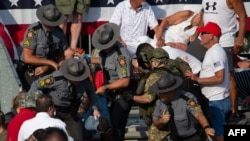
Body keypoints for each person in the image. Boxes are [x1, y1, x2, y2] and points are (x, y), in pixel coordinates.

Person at [29, 58, 110, 141]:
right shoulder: (56, 78)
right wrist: (34, 106)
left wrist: (95, 108)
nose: (77, 80)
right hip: (54, 111)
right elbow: (36, 85)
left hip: (71, 113)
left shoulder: (85, 81)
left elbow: (92, 93)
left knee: (77, 137)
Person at [185, 22, 231, 141]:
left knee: (218, 132)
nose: (200, 35)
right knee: (214, 132)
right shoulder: (213, 51)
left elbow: (219, 77)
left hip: (216, 100)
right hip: (215, 99)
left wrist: (197, 79)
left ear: (211, 36)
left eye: (203, 33)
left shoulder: (216, 52)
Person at [202, 0, 248, 118]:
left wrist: (240, 38)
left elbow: (243, 16)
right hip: (207, 39)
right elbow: (204, 14)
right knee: (206, 70)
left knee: (228, 76)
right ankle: (208, 107)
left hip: (224, 40)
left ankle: (234, 111)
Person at [89, 23, 133, 141]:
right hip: (110, 94)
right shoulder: (104, 52)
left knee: (116, 127)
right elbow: (104, 61)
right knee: (106, 126)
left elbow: (125, 81)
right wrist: (88, 58)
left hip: (122, 94)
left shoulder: (121, 56)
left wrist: (106, 87)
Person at [17, 4, 68, 91]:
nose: (51, 26)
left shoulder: (59, 33)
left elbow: (61, 58)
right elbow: (27, 57)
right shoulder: (33, 31)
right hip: (31, 70)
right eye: (49, 24)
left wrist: (49, 66)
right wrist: (50, 62)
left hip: (50, 70)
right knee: (35, 95)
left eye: (54, 23)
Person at [150, 73, 215, 141]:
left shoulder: (187, 99)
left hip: (192, 137)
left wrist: (206, 127)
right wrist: (161, 121)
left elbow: (199, 114)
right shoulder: (159, 102)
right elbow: (155, 122)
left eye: (162, 93)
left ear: (171, 92)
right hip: (174, 137)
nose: (159, 94)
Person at [109, 0, 163, 72]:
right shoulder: (121, 7)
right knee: (119, 52)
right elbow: (113, 27)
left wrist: (159, 39)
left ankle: (159, 71)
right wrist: (120, 41)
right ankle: (134, 64)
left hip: (142, 44)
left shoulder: (147, 7)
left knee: (159, 48)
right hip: (126, 44)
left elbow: (155, 27)